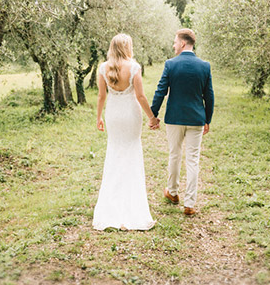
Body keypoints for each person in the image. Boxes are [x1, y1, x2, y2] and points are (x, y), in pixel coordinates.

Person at [92, 33, 159, 231]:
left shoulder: (103, 68)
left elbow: (101, 97)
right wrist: (152, 117)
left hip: (113, 114)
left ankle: (111, 208)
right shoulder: (134, 68)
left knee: (114, 154)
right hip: (130, 115)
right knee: (131, 153)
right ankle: (132, 208)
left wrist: (98, 117)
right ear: (127, 47)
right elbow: (140, 96)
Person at [150, 28, 214, 216]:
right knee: (193, 159)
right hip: (196, 118)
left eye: (175, 42)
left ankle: (173, 192)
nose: (173, 45)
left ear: (183, 43)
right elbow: (209, 95)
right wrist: (207, 119)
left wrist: (153, 115)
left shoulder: (171, 64)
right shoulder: (204, 66)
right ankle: (190, 204)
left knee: (174, 154)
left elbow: (160, 91)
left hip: (175, 119)